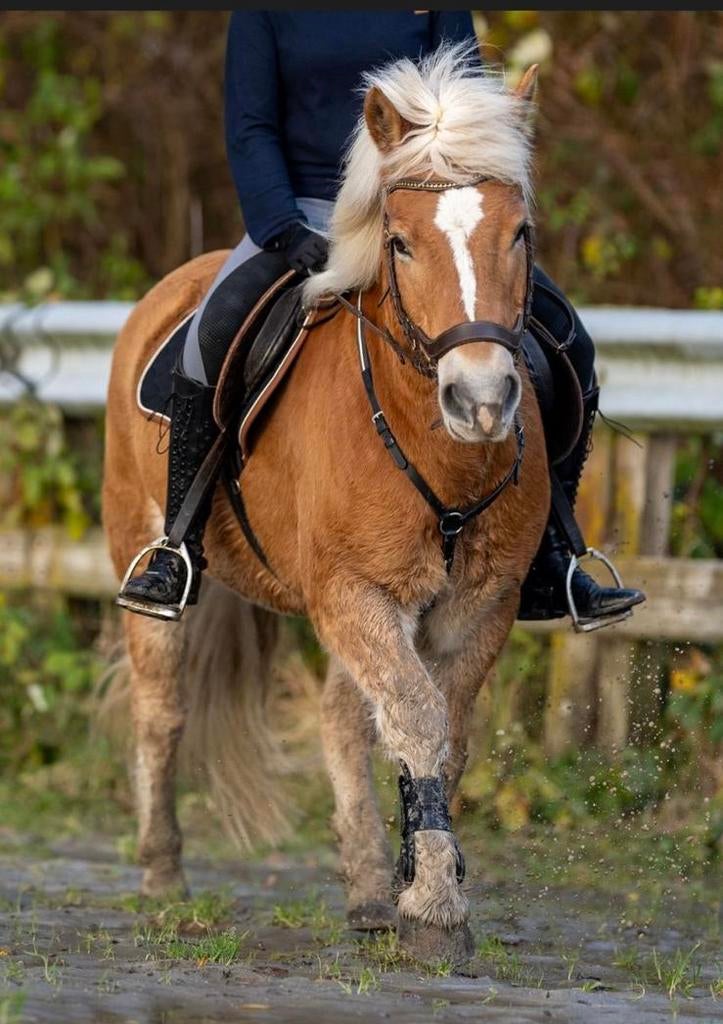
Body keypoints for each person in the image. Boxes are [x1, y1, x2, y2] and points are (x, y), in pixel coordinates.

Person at [118, 11, 644, 625]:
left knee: (569, 343)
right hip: (309, 211)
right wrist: (282, 227)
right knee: (209, 337)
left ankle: (553, 557)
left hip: (424, 203)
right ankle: (180, 545)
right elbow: (251, 128)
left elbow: (465, 109)